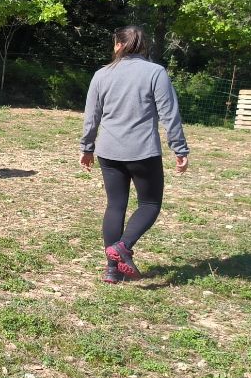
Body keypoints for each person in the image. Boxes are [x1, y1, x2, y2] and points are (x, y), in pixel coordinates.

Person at [80, 26, 190, 283]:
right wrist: (179, 148)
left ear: (118, 45)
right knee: (150, 204)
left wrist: (87, 147)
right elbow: (169, 114)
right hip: (143, 152)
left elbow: (91, 116)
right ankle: (123, 246)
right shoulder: (155, 72)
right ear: (142, 46)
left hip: (108, 151)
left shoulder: (101, 75)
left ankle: (112, 270)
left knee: (115, 205)